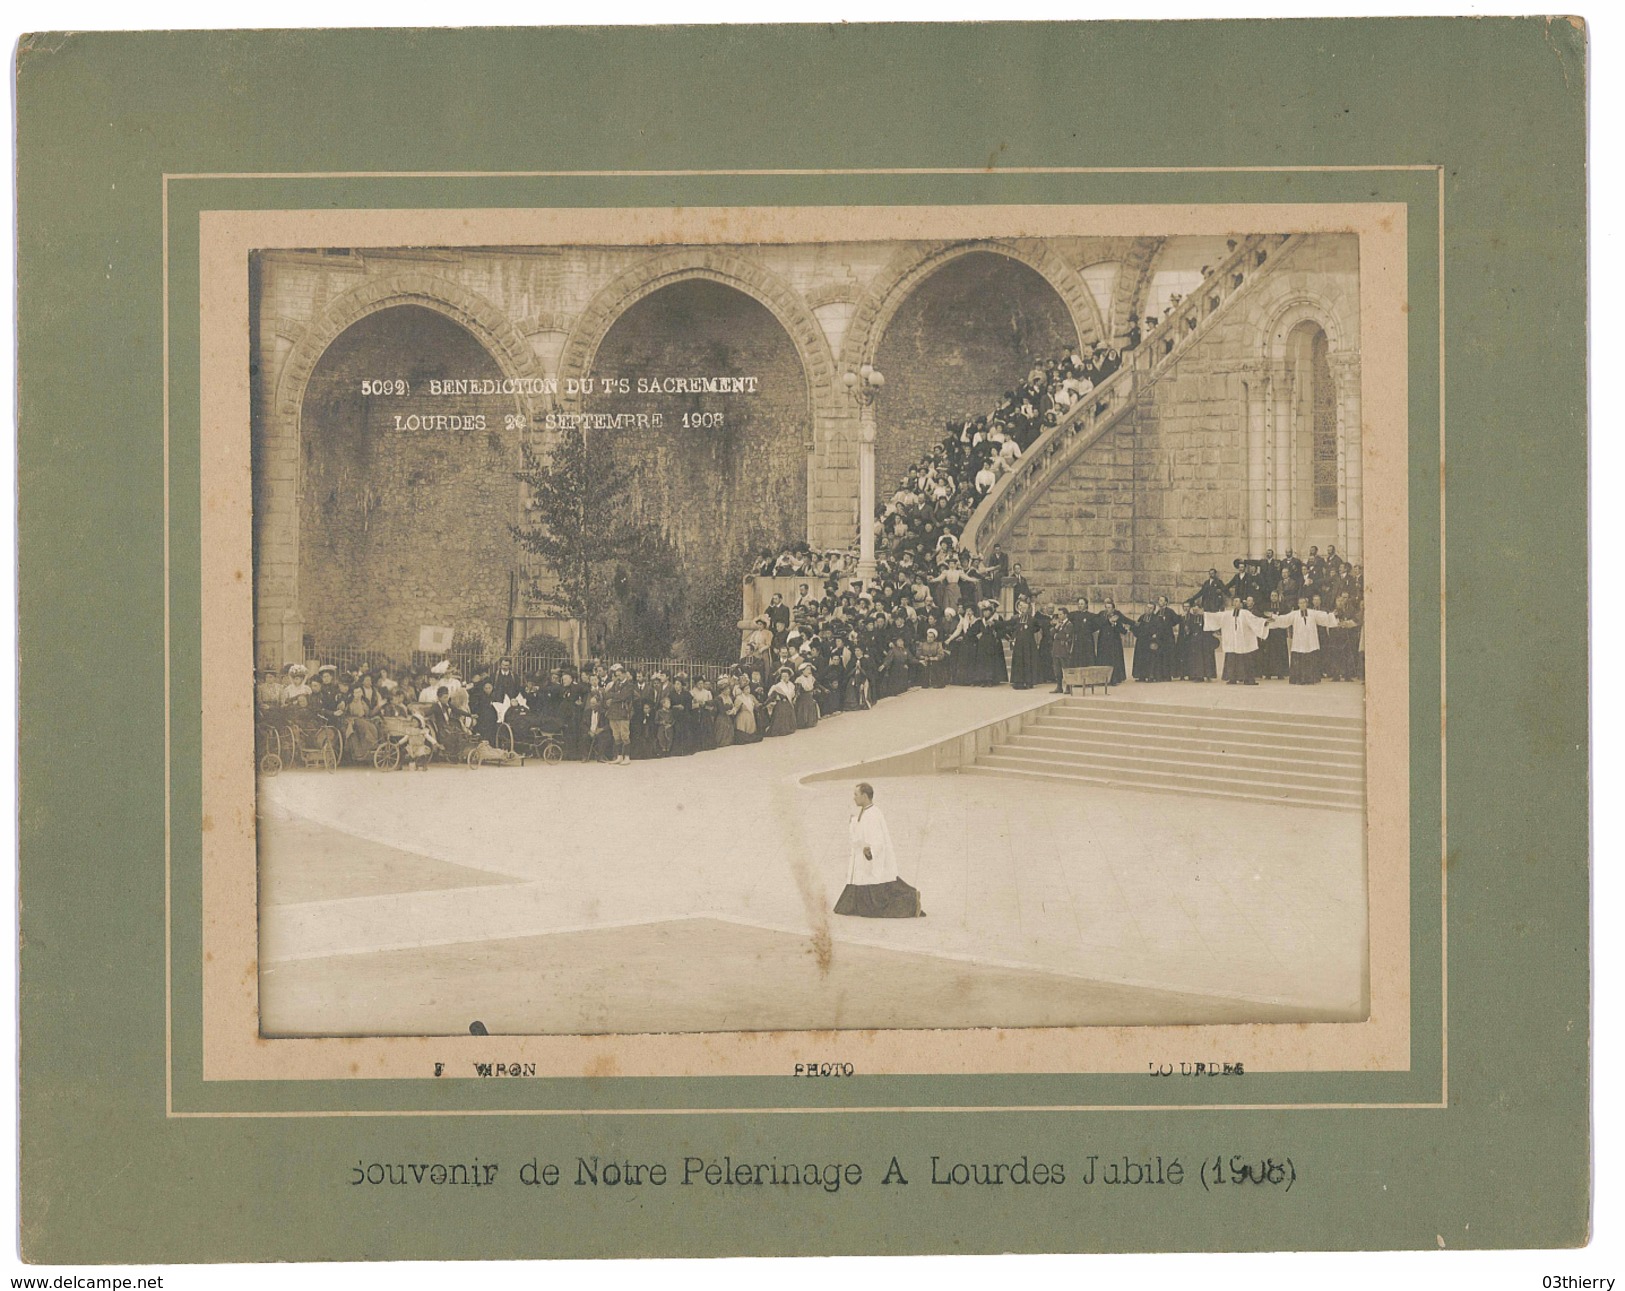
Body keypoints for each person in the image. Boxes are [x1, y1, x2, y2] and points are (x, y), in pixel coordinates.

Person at [832, 783, 925, 920]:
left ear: (864, 796)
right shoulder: (867, 811)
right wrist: (853, 822)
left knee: (878, 902)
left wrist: (869, 850)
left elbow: (878, 841)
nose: (854, 798)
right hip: (866, 863)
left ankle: (911, 900)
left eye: (856, 795)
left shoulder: (873, 814)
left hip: (871, 862)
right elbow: (862, 829)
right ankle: (911, 897)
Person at [1205, 595, 1271, 685]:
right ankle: (1233, 678)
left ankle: (1248, 679)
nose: (1237, 603)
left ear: (1241, 604)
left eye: (1238, 601)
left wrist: (1264, 622)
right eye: (1235, 601)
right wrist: (1204, 615)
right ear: (1232, 603)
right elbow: (1217, 617)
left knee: (1246, 659)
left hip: (1244, 641)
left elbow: (1255, 621)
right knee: (1232, 659)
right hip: (1232, 641)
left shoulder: (1245, 613)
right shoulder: (1227, 614)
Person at [1275, 595, 1340, 685]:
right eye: (1300, 603)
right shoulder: (1294, 614)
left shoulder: (1313, 613)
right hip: (1299, 641)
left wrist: (1332, 615)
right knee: (1299, 657)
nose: (1302, 604)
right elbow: (1284, 619)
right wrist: (1274, 617)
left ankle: (1311, 679)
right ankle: (1299, 679)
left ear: (1307, 604)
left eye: (1304, 603)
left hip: (1310, 641)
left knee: (1311, 658)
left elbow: (1323, 617)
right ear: (1298, 604)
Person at [604, 662, 635, 765]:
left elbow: (623, 696)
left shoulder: (630, 685)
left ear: (625, 674)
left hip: (623, 713)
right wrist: (615, 695)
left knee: (625, 735)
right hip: (613, 713)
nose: (618, 677)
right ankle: (619, 756)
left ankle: (627, 757)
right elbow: (607, 694)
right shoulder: (615, 684)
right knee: (616, 735)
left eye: (620, 674)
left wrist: (613, 697)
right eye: (617, 675)